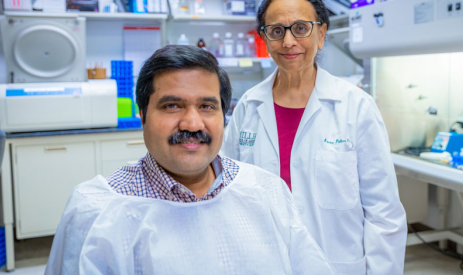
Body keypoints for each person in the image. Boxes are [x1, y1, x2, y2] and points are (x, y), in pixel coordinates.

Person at [45, 45, 335, 275]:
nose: (193, 124)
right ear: (143, 115)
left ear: (224, 115)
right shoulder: (95, 211)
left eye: (207, 106)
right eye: (172, 106)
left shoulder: (265, 191)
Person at [221, 0, 408, 274]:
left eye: (300, 28)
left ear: (321, 35)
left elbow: (383, 212)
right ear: (265, 39)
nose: (288, 41)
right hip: (263, 261)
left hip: (335, 265)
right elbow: (229, 191)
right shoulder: (248, 106)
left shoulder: (355, 107)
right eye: (276, 31)